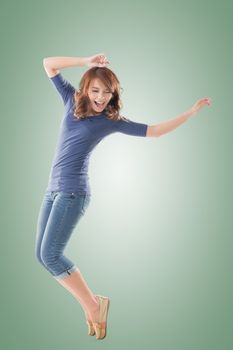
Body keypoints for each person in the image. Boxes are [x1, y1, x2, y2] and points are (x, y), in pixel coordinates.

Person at [35, 53, 212, 340]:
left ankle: (93, 306)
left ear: (112, 95)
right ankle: (92, 305)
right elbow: (48, 64)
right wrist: (86, 61)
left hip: (72, 193)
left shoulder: (110, 120)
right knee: (41, 257)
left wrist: (190, 113)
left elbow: (153, 132)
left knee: (50, 255)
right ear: (85, 89)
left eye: (107, 93)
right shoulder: (70, 100)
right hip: (51, 191)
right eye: (95, 90)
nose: (101, 97)